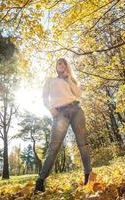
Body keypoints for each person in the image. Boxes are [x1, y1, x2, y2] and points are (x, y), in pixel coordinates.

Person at [34, 58, 92, 193]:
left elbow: (78, 94)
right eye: (59, 63)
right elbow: (44, 97)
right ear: (56, 66)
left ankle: (88, 176)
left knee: (83, 144)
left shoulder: (70, 80)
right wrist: (50, 108)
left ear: (67, 67)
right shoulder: (50, 81)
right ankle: (40, 180)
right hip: (60, 113)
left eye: (64, 63)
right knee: (54, 147)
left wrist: (69, 79)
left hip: (76, 110)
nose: (61, 65)